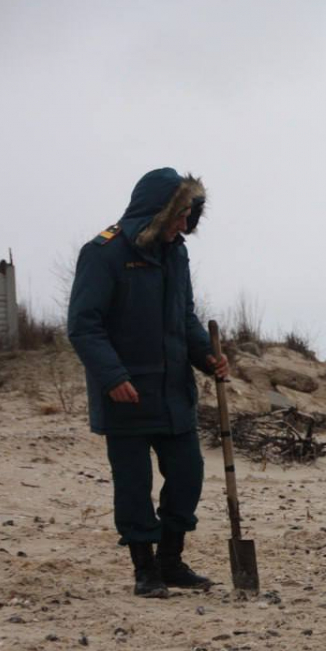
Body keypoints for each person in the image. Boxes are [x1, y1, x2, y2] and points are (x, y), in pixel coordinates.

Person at [68, 167, 229, 598]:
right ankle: (144, 570)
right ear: (158, 212)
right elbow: (84, 326)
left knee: (188, 475)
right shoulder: (103, 253)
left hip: (174, 392)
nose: (184, 227)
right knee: (133, 486)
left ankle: (171, 561)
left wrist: (206, 358)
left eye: (189, 217)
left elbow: (184, 317)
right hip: (126, 396)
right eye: (179, 217)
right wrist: (113, 376)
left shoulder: (176, 253)